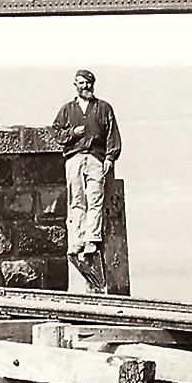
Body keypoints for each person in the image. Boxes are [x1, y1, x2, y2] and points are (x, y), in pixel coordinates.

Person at [51, 68, 123, 284]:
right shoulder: (67, 110)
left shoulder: (103, 108)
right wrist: (72, 133)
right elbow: (55, 132)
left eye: (88, 82)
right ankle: (77, 240)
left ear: (93, 84)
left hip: (95, 158)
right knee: (77, 201)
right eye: (81, 83)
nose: (85, 86)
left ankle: (92, 239)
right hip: (74, 158)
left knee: (95, 199)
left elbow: (112, 134)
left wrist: (110, 158)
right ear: (75, 85)